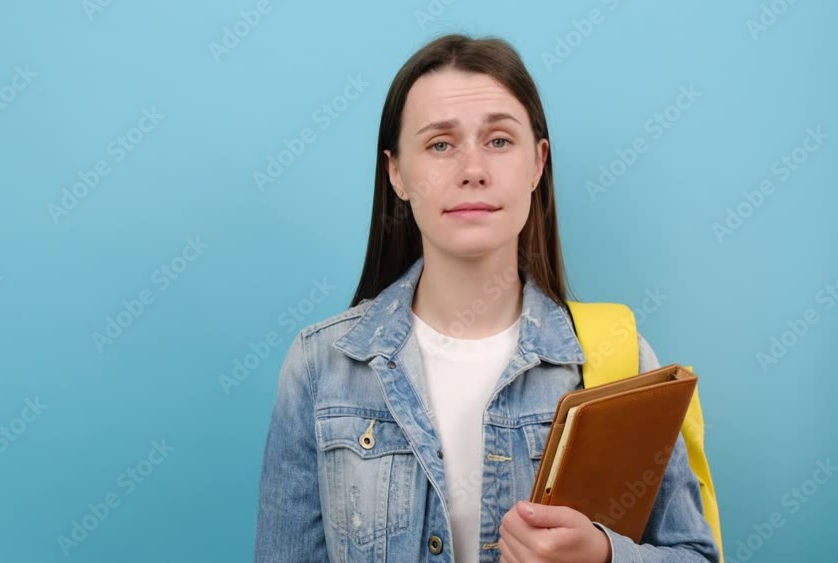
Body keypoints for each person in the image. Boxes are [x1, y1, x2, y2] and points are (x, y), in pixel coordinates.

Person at [253, 33, 719, 563]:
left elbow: (695, 555)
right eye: (439, 144)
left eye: (499, 140)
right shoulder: (320, 367)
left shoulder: (621, 362)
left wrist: (603, 555)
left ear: (538, 164)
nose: (473, 169)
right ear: (397, 173)